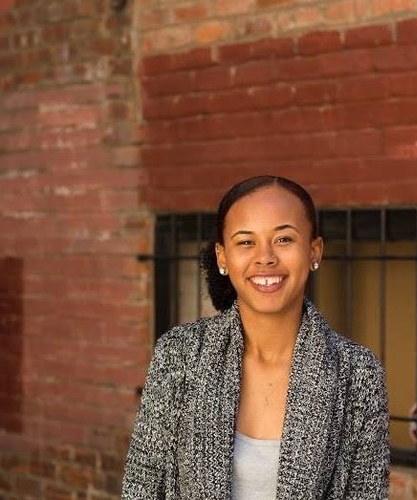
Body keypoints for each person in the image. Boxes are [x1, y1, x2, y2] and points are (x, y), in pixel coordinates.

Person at [121, 175, 390, 499]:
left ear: (314, 251)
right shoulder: (179, 355)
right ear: (222, 257)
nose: (265, 257)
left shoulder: (357, 373)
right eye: (246, 242)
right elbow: (141, 487)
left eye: (284, 239)